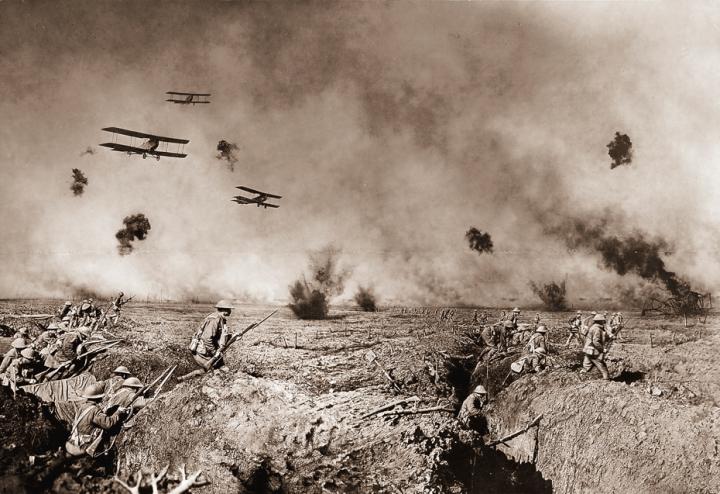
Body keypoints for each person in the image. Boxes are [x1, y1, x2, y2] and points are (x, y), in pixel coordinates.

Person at [65, 383, 128, 457]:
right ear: (98, 398)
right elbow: (108, 424)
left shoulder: (83, 406)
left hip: (72, 441)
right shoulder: (94, 410)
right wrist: (118, 412)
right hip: (83, 446)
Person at [190, 300, 234, 371]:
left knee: (221, 369)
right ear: (224, 310)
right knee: (211, 371)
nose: (230, 312)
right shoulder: (214, 320)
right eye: (229, 310)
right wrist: (214, 353)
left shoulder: (220, 319)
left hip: (209, 350)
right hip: (203, 352)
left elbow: (220, 336)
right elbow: (207, 339)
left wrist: (232, 336)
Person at [581, 314, 609, 380]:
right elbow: (596, 342)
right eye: (603, 320)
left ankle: (581, 378)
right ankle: (606, 379)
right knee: (601, 365)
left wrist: (609, 337)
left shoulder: (593, 327)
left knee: (586, 366)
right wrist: (602, 349)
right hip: (593, 350)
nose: (604, 322)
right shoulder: (597, 329)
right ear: (600, 321)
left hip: (588, 350)